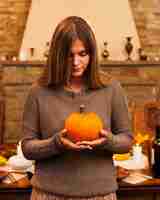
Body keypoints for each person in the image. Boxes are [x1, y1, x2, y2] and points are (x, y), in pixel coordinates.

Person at [21, 16, 133, 200]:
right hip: (48, 195)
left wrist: (107, 141)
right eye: (68, 55)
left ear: (92, 53)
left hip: (100, 195)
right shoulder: (38, 91)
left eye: (83, 54)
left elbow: (126, 141)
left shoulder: (111, 88)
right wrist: (56, 143)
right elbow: (27, 147)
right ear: (57, 54)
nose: (75, 62)